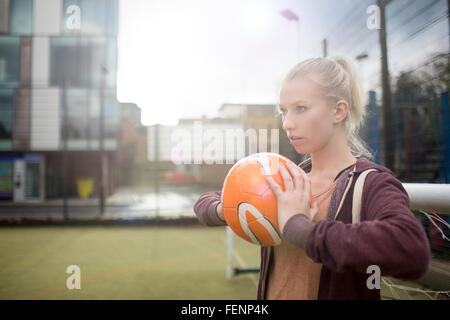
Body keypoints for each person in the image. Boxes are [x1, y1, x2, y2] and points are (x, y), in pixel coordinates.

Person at [193, 57, 430, 300]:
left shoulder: (370, 182)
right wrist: (228, 209)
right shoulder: (286, 177)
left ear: (338, 111)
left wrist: (299, 227)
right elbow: (203, 204)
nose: (287, 123)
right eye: (283, 111)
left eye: (301, 109)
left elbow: (412, 250)